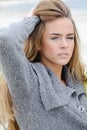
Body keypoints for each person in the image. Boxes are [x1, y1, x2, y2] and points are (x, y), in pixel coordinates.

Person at [0, 0, 87, 130]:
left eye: (69, 37)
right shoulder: (29, 84)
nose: (65, 45)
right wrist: (32, 19)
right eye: (55, 37)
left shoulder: (78, 80)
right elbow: (5, 39)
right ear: (38, 43)